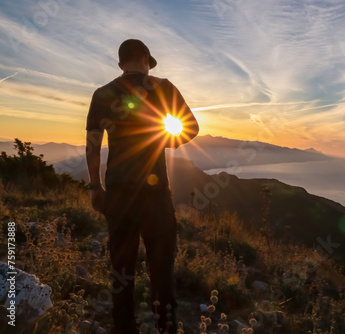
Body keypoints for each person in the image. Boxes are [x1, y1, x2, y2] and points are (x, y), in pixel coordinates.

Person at [86, 39, 199, 334]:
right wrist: (162, 140)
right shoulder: (163, 86)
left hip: (119, 194)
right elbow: (191, 128)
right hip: (156, 194)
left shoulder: (102, 93)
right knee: (162, 273)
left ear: (121, 64)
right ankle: (166, 329)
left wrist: (95, 187)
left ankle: (124, 329)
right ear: (147, 60)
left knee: (122, 271)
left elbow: (93, 146)